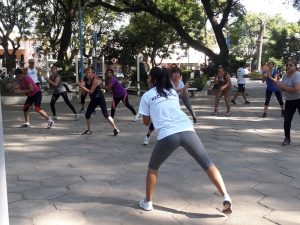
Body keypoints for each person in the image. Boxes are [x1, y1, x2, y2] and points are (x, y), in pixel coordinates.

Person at [138, 67, 232, 214]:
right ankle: (226, 195)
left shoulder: (147, 96)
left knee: (153, 168)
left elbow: (145, 122)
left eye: (149, 76)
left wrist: (151, 111)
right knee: (208, 164)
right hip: (187, 129)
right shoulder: (172, 92)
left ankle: (148, 202)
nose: (147, 78)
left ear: (153, 79)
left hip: (168, 134)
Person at [78, 67, 119, 135]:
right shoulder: (85, 79)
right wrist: (81, 87)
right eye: (86, 73)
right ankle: (90, 130)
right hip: (93, 99)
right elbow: (83, 93)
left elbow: (91, 91)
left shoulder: (95, 80)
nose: (87, 74)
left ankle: (115, 128)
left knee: (105, 115)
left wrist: (82, 86)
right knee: (87, 114)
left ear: (92, 73)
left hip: (100, 98)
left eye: (89, 72)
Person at [273, 59, 300, 146]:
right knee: (287, 120)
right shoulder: (285, 76)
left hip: (299, 99)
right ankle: (287, 138)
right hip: (289, 100)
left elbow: (296, 89)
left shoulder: (297, 75)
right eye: (287, 65)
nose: (288, 67)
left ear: (295, 67)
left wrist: (283, 86)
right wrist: (278, 86)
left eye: (291, 65)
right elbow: (283, 89)